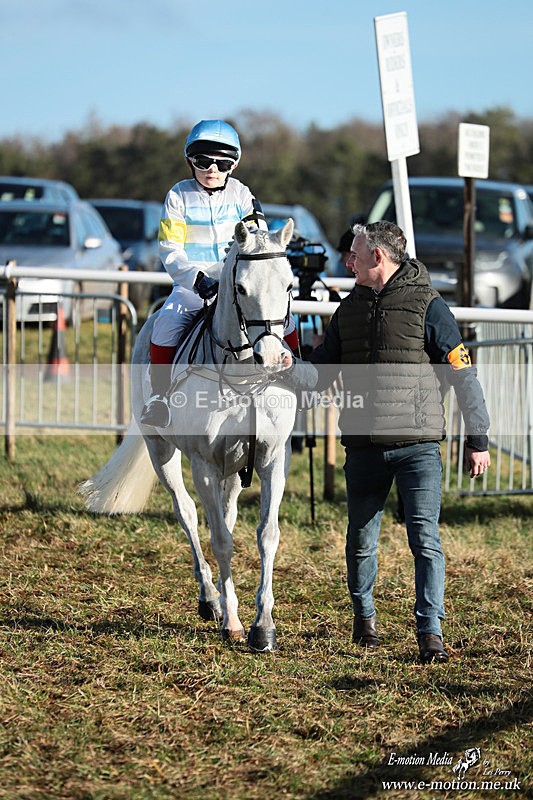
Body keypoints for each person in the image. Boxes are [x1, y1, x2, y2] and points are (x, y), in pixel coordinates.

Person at [308, 221, 490, 664]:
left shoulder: (429, 305)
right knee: (360, 539)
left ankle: (430, 633)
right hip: (363, 446)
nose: (347, 262)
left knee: (424, 540)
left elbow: (463, 374)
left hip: (418, 446)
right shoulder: (348, 309)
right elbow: (321, 373)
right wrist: (284, 366)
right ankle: (364, 621)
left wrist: (478, 438)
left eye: (354, 254)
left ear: (377, 257)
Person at [141, 119, 299, 427]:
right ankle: (160, 398)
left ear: (233, 165)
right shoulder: (177, 196)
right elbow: (170, 249)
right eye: (203, 161)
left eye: (222, 163)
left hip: (238, 283)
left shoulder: (242, 194)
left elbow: (259, 239)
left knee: (286, 320)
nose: (212, 169)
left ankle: (296, 378)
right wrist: (196, 280)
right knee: (165, 324)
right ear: (190, 161)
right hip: (193, 285)